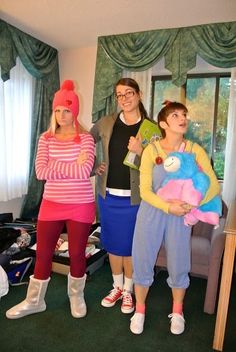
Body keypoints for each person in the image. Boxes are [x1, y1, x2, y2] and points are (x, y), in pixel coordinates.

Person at [6, 80, 96, 319]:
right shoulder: (45, 139)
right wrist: (68, 165)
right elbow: (40, 172)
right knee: (43, 253)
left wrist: (56, 166)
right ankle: (34, 301)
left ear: (74, 111)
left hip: (80, 205)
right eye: (58, 110)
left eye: (67, 110)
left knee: (77, 254)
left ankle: (76, 296)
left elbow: (84, 171)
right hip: (51, 204)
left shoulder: (85, 139)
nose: (62, 115)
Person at [130, 101, 221, 335]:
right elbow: (145, 191)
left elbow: (211, 185)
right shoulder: (151, 150)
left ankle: (177, 311)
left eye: (184, 115)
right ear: (163, 124)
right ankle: (139, 310)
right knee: (142, 259)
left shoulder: (194, 149)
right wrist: (167, 206)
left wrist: (191, 205)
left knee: (180, 261)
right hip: (152, 211)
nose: (183, 119)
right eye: (176, 115)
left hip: (181, 213)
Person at [90, 78, 150, 314]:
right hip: (108, 197)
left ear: (139, 94)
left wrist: (142, 150)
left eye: (129, 93)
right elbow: (84, 142)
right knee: (113, 245)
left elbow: (159, 164)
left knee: (131, 246)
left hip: (135, 200)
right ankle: (116, 286)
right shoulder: (105, 123)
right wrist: (94, 166)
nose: (124, 99)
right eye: (119, 95)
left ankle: (128, 290)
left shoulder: (151, 128)